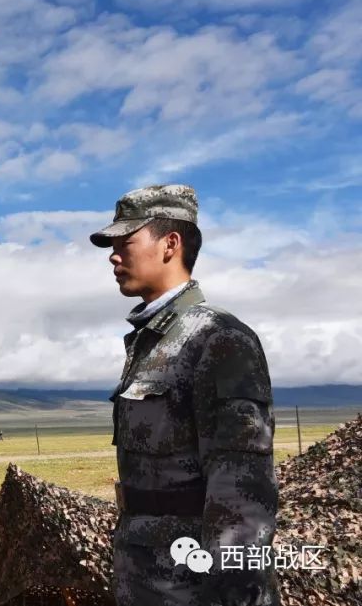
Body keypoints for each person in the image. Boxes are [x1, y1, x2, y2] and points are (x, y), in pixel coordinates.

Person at [89, 184, 279, 606]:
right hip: (147, 574)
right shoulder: (153, 339)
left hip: (192, 585)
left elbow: (242, 487)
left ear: (170, 244)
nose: (113, 256)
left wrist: (233, 590)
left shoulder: (218, 338)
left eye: (125, 243)